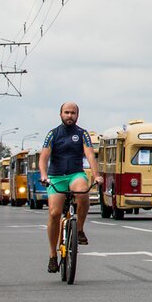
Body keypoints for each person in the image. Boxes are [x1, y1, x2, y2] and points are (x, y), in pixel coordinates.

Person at [39, 102, 103, 273]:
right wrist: (44, 175)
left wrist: (96, 175)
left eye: (73, 113)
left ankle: (80, 228)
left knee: (83, 192)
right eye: (66, 112)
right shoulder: (53, 134)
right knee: (54, 214)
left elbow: (90, 155)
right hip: (56, 176)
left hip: (75, 174)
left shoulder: (82, 134)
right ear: (60, 114)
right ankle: (53, 255)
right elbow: (44, 157)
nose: (69, 115)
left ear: (77, 115)